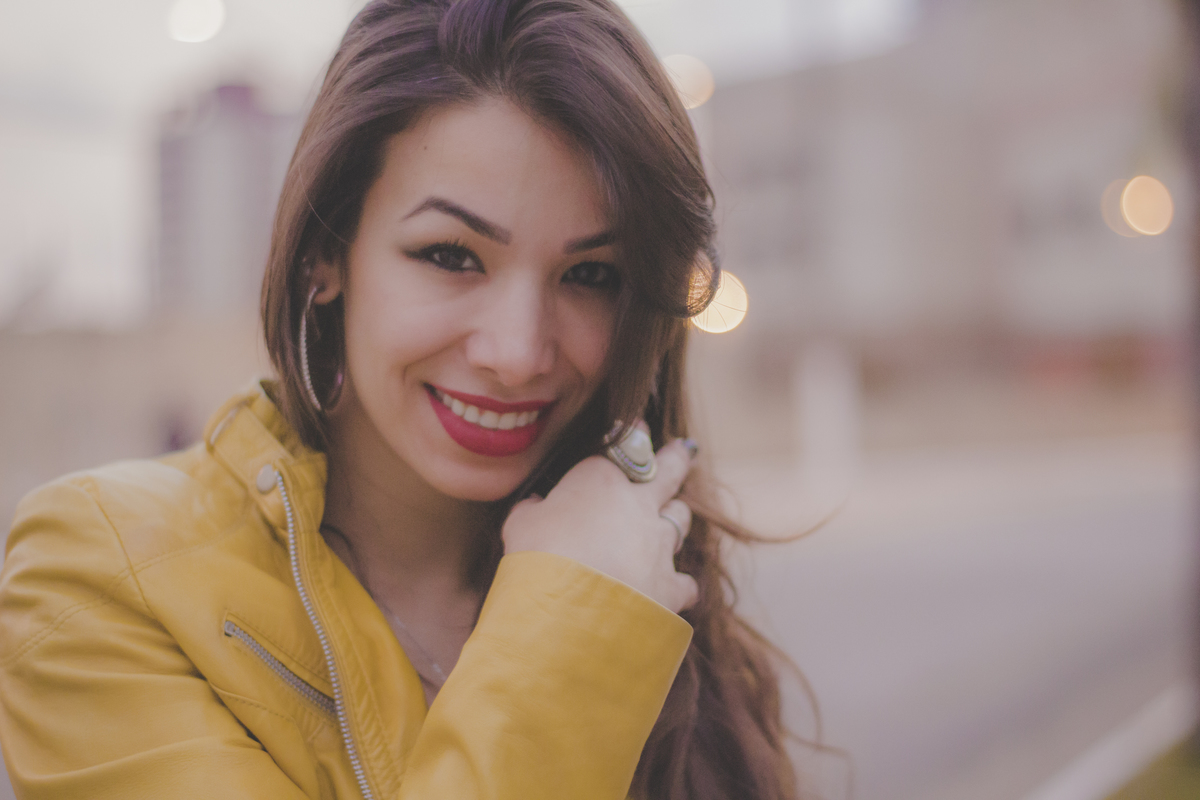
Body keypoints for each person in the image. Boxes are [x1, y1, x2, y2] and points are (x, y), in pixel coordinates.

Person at [0, 1, 799, 798]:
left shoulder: (653, 579)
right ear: (325, 255)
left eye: (590, 275)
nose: (518, 354)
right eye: (451, 255)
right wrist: (574, 627)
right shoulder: (101, 575)